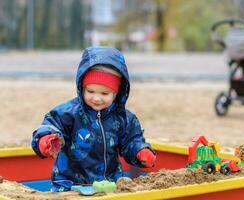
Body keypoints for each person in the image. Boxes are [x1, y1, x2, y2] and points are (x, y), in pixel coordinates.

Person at [31, 46, 156, 192]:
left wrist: (140, 151)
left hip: (109, 185)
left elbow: (131, 141)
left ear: (117, 93)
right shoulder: (69, 112)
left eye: (105, 93)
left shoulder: (123, 118)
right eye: (90, 91)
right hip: (70, 185)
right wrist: (45, 139)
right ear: (82, 87)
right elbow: (51, 124)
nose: (96, 98)